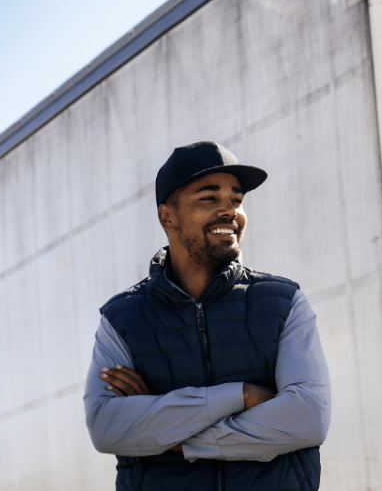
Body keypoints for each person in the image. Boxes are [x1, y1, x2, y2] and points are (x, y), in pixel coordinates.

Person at [83, 140, 331, 491]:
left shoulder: (284, 302)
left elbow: (308, 418)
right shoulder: (121, 318)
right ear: (167, 215)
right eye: (209, 198)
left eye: (236, 199)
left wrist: (171, 432)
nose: (230, 210)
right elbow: (106, 428)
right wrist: (241, 396)